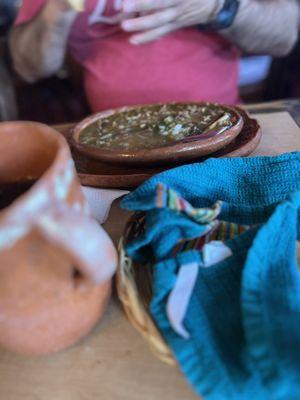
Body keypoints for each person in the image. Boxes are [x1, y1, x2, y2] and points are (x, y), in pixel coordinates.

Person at [10, 0, 299, 112]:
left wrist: (218, 8)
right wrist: (59, 7)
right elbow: (28, 66)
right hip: (111, 144)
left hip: (223, 127)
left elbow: (285, 35)